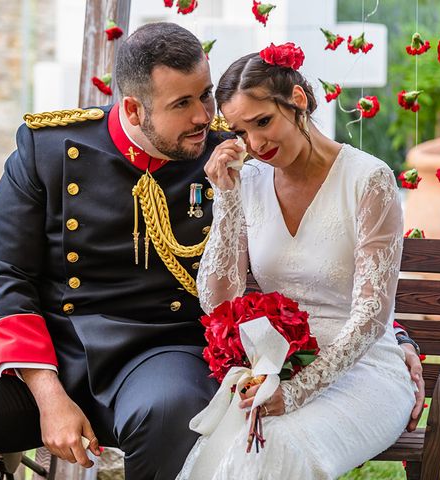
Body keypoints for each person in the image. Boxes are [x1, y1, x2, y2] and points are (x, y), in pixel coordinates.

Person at [0, 24, 422, 480]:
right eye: (183, 103)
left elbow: (322, 242)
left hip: (160, 351)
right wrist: (47, 394)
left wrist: (393, 335)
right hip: (52, 348)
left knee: (175, 413)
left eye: (206, 96)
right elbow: (3, 271)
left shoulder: (232, 154)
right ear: (135, 108)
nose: (203, 117)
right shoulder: (48, 148)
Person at [176, 44, 421, 480]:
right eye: (241, 132)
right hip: (277, 365)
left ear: (298, 99)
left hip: (365, 371)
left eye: (263, 122)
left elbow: (369, 318)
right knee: (243, 445)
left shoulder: (369, 179)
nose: (256, 143)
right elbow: (218, 302)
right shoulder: (248, 182)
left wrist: (297, 391)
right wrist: (227, 199)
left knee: (274, 446)